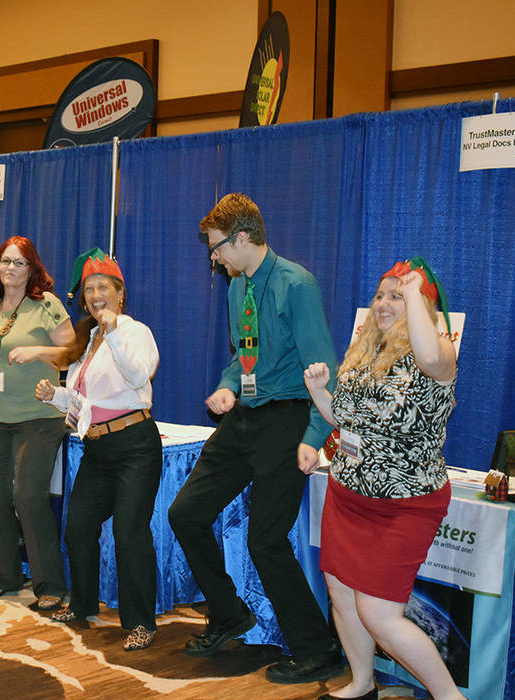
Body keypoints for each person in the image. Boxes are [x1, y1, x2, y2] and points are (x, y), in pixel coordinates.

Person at [167, 193, 342, 682]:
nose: (213, 257)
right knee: (186, 513)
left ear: (243, 238)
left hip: (288, 419)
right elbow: (241, 360)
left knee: (266, 540)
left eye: (217, 247)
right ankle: (229, 614)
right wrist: (227, 388)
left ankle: (318, 647)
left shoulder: (296, 285)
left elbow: (321, 370)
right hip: (245, 416)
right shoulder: (236, 288)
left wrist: (315, 434)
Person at [303, 259, 462, 700]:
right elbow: (350, 424)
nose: (385, 303)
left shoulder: (439, 352)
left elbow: (430, 357)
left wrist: (415, 295)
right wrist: (320, 393)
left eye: (399, 295)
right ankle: (361, 682)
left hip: (404, 504)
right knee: (341, 592)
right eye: (381, 295)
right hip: (347, 495)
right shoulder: (366, 351)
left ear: (423, 304)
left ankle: (452, 697)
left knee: (379, 612)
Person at [36, 247, 162, 652]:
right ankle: (83, 603)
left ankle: (141, 622)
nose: (94, 295)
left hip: (135, 446)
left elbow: (138, 376)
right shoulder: (87, 338)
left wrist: (113, 331)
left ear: (119, 293)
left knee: (129, 534)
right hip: (97, 448)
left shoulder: (134, 332)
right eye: (89, 289)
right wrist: (56, 397)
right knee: (77, 529)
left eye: (102, 287)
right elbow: (84, 404)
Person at [0, 235, 75, 610]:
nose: (10, 268)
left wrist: (39, 350)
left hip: (38, 417)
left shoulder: (46, 305)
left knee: (27, 496)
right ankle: (5, 574)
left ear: (32, 268)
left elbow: (72, 354)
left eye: (19, 262)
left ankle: (51, 583)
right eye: (5, 261)